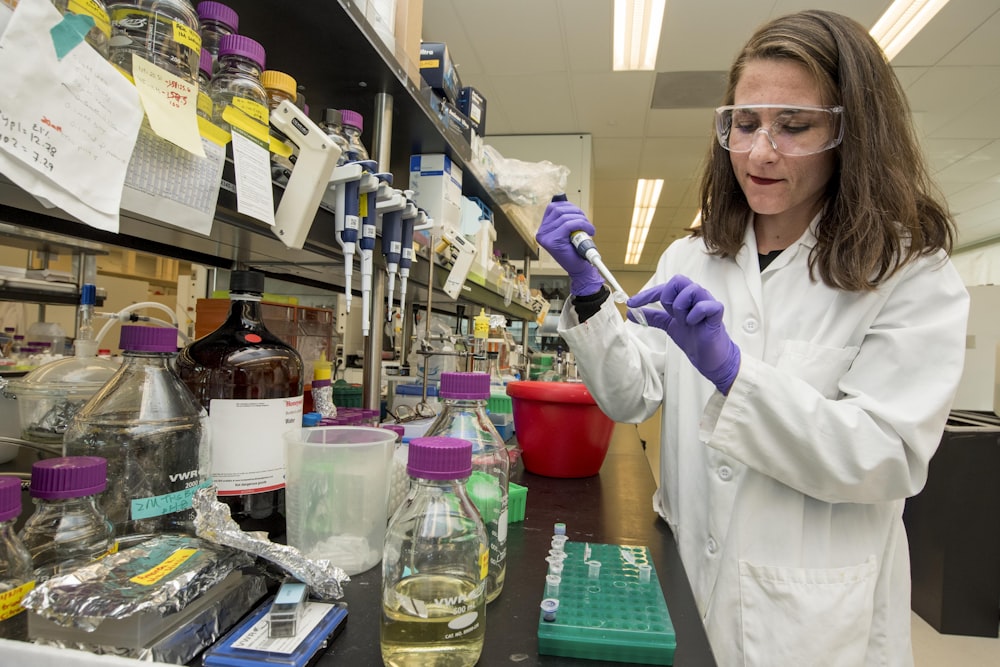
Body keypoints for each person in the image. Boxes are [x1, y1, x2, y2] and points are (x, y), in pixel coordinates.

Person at [536, 9, 969, 667]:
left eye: (795, 126)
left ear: (851, 134)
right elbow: (630, 396)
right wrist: (589, 290)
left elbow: (886, 455)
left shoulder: (909, 272)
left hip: (816, 627)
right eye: (744, 123)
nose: (761, 151)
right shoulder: (694, 256)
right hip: (683, 590)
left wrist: (734, 373)